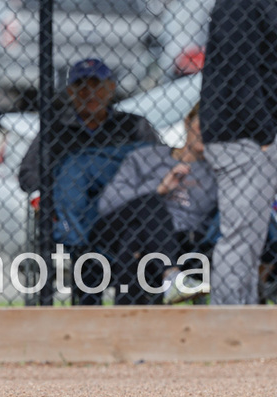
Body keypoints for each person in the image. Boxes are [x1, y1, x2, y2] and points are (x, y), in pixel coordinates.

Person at [18, 57, 160, 304]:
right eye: (81, 85)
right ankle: (87, 311)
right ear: (70, 91)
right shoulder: (55, 129)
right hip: (76, 219)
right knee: (86, 245)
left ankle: (132, 314)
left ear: (111, 87)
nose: (89, 92)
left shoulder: (133, 126)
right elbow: (28, 174)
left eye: (97, 84)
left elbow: (158, 166)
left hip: (125, 215)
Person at [95, 102, 217, 305]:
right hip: (115, 226)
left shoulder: (217, 173)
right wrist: (159, 189)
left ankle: (126, 319)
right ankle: (171, 276)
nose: (208, 131)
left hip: (177, 240)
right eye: (203, 124)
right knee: (149, 203)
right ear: (187, 123)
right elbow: (107, 203)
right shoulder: (145, 157)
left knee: (134, 237)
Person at [199, 0, 277, 305]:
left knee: (250, 239)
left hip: (252, 135)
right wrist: (263, 132)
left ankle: (240, 320)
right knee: (241, 239)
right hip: (242, 137)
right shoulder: (238, 4)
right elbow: (239, 71)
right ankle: (227, 325)